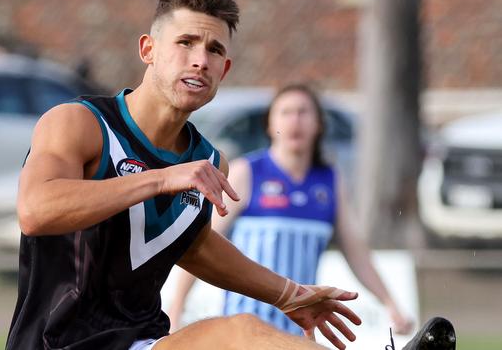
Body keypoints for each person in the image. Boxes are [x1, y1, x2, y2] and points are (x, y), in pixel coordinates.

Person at [5, 0, 362, 350]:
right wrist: (159, 179)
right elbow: (36, 210)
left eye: (214, 50)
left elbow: (194, 245)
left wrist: (288, 294)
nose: (200, 60)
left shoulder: (207, 161)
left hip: (144, 341)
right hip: (58, 343)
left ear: (224, 70)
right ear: (148, 50)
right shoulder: (79, 123)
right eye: (186, 42)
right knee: (239, 334)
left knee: (246, 334)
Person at [167, 84, 414, 337]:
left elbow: (356, 253)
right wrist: (176, 309)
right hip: (247, 331)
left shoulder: (329, 181)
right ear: (269, 123)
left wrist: (390, 304)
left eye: (303, 112)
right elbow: (202, 244)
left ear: (318, 124)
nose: (295, 120)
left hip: (298, 331)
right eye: (285, 112)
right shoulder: (247, 173)